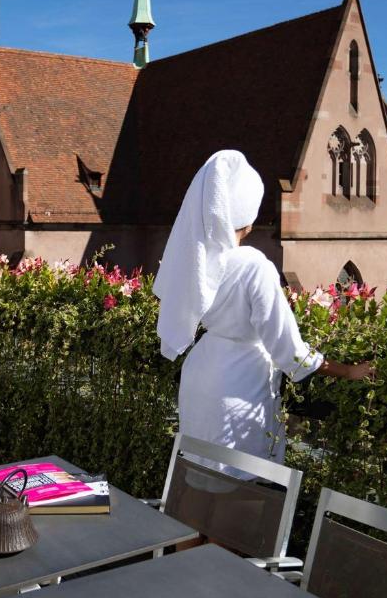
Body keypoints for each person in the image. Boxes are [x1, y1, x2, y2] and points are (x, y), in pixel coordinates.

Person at [154, 150, 373, 478]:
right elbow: (288, 349)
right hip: (238, 386)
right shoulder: (252, 266)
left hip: (199, 376)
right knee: (237, 488)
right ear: (248, 215)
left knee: (200, 484)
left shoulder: (198, 263)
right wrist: (348, 371)